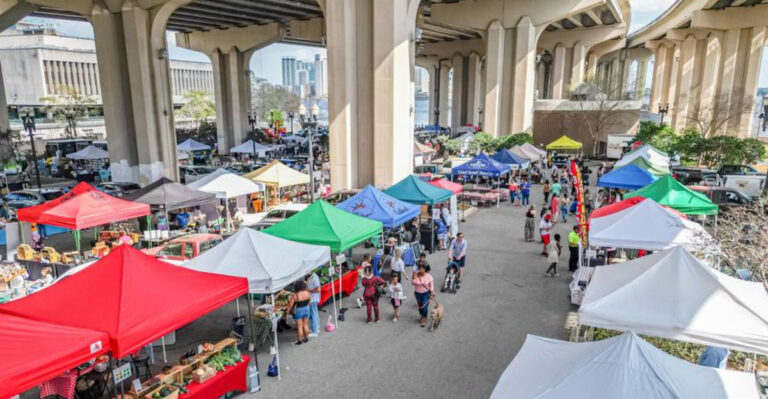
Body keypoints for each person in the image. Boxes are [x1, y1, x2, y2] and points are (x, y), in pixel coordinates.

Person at [288, 280, 311, 345]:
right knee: (305, 324)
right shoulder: (308, 293)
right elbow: (310, 302)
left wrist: (287, 312)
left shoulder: (295, 295)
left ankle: (299, 341)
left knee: (300, 326)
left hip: (299, 310)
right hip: (306, 308)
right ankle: (306, 338)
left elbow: (290, 305)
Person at [305, 271, 321, 337]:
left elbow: (318, 289)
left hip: (313, 299)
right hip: (312, 298)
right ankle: (316, 328)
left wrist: (308, 290)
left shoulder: (314, 278)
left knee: (313, 314)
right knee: (315, 313)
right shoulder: (311, 276)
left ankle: (315, 331)